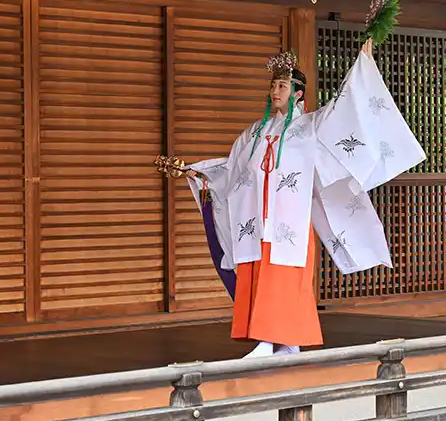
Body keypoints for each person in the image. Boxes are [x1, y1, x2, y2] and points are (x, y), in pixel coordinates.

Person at [176, 36, 425, 358]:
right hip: (256, 219)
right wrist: (198, 173)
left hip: (288, 222)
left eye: (282, 86)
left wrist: (362, 65)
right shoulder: (254, 132)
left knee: (283, 279)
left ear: (297, 93)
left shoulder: (310, 126)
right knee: (258, 275)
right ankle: (273, 341)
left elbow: (342, 108)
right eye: (273, 85)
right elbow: (232, 169)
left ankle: (279, 341)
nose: (275, 91)